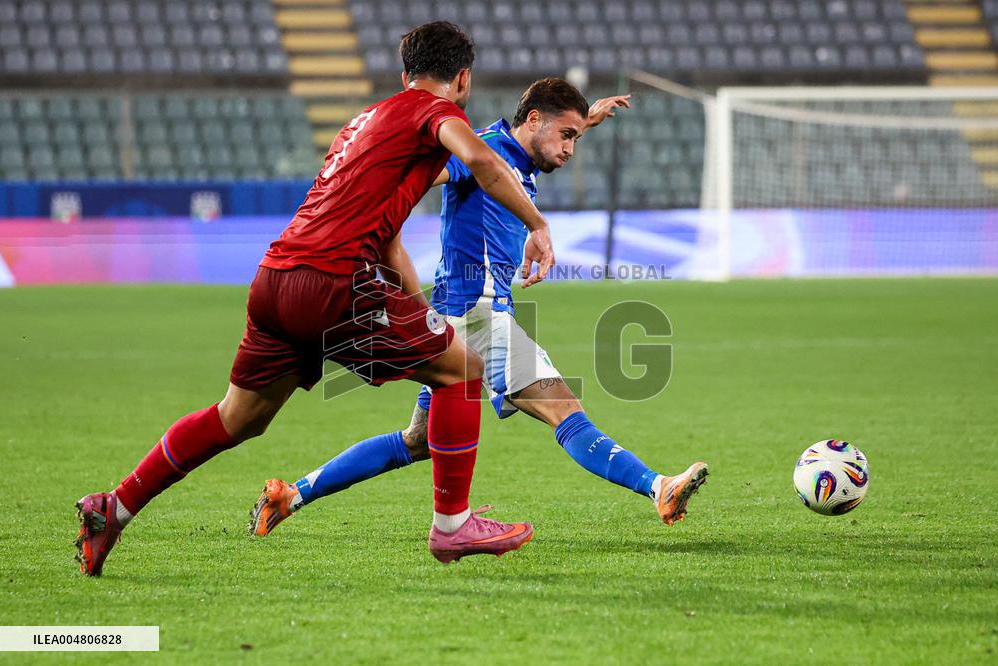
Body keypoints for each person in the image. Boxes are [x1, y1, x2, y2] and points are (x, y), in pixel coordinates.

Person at [74, 21, 557, 575]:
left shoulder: (363, 123)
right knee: (464, 372)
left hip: (276, 278)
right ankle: (453, 526)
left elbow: (389, 237)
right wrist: (537, 224)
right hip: (335, 282)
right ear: (463, 80)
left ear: (404, 75)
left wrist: (417, 310)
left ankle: (117, 507)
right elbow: (486, 162)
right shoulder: (436, 112)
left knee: (239, 418)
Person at [249, 78, 708, 539]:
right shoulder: (482, 152)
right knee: (564, 411)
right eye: (567, 135)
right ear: (533, 121)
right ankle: (658, 487)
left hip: (453, 316)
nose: (571, 148)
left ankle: (292, 495)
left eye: (577, 138)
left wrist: (586, 118)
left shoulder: (515, 151)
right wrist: (376, 220)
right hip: (479, 315)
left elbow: (529, 147)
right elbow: (423, 176)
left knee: (418, 441)